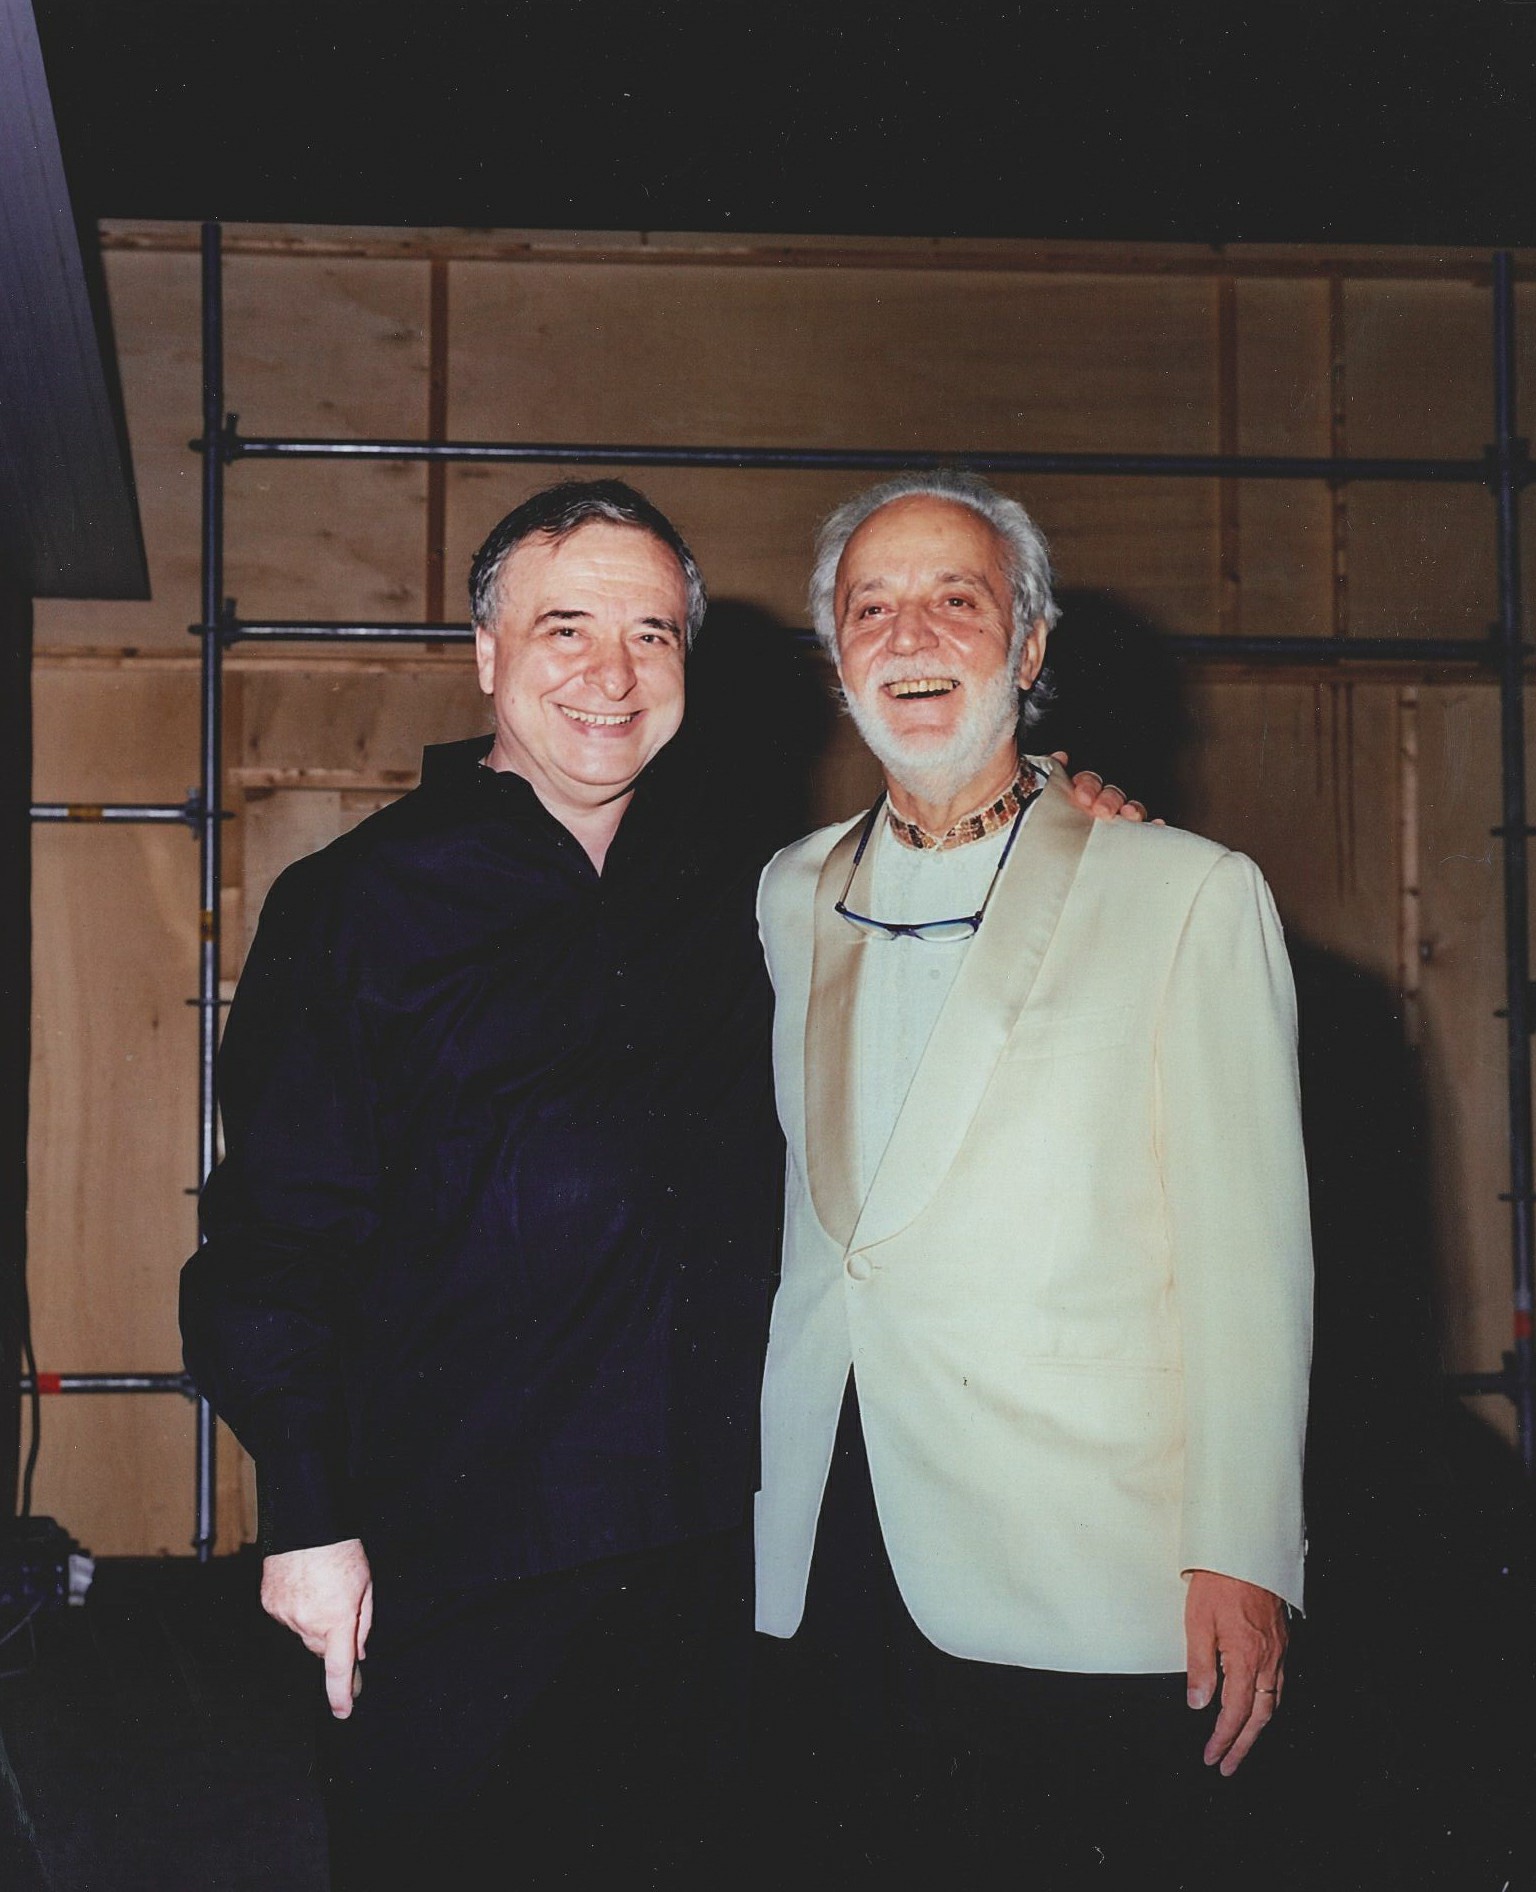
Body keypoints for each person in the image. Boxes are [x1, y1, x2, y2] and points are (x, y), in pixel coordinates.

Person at [179, 475, 1144, 1887]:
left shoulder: (759, 887)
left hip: (718, 1561)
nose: (611, 674)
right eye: (563, 628)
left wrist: (1066, 810)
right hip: (457, 1563)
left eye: (652, 634)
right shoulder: (353, 906)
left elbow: (953, 885)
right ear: (487, 654)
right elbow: (270, 1244)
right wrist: (310, 1519)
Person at [751, 470, 1312, 1890]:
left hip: (1081, 1547)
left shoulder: (1185, 891)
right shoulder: (788, 892)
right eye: (870, 608)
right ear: (835, 655)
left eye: (958, 598)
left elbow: (1251, 1257)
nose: (910, 636)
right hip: (832, 1530)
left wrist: (1245, 1550)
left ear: (1033, 644)